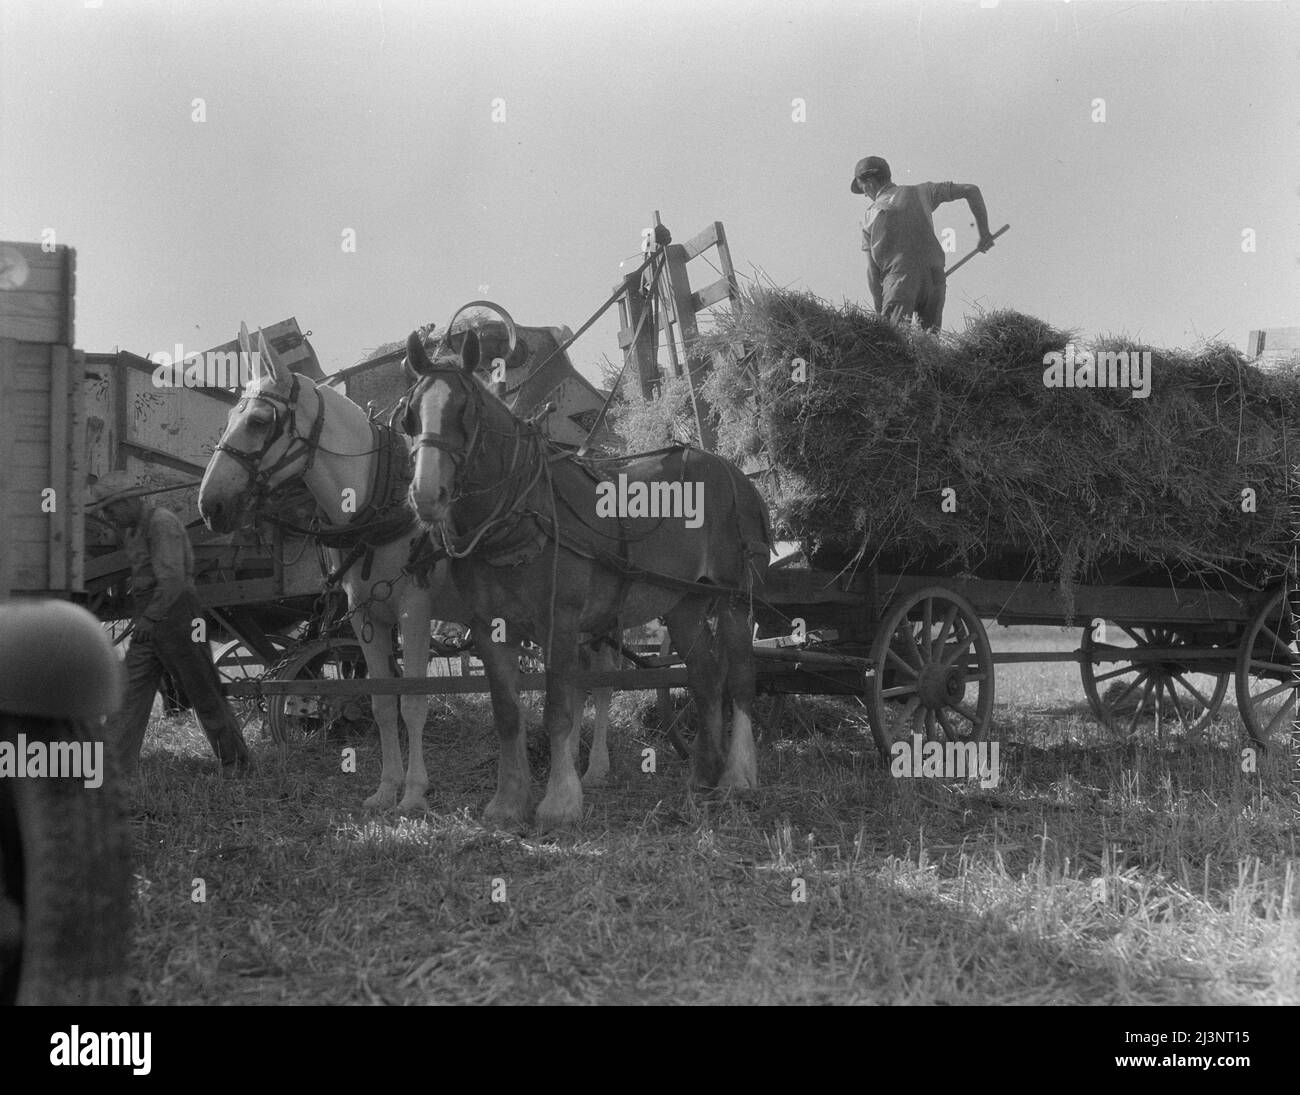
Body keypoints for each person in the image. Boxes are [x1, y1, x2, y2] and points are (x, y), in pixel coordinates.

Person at [89, 470, 252, 777]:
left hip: (178, 615)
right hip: (151, 616)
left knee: (204, 692)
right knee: (127, 693)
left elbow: (174, 581)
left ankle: (237, 764)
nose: (108, 516)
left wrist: (149, 619)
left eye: (110, 509)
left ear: (129, 501)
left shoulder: (161, 523)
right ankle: (112, 771)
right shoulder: (133, 528)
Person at [852, 155, 996, 332]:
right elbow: (971, 190)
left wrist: (880, 313)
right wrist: (984, 233)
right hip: (934, 278)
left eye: (863, 188)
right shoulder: (923, 191)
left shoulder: (870, 215)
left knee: (894, 346)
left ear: (870, 182)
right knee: (929, 347)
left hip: (899, 282)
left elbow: (873, 273)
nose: (866, 194)